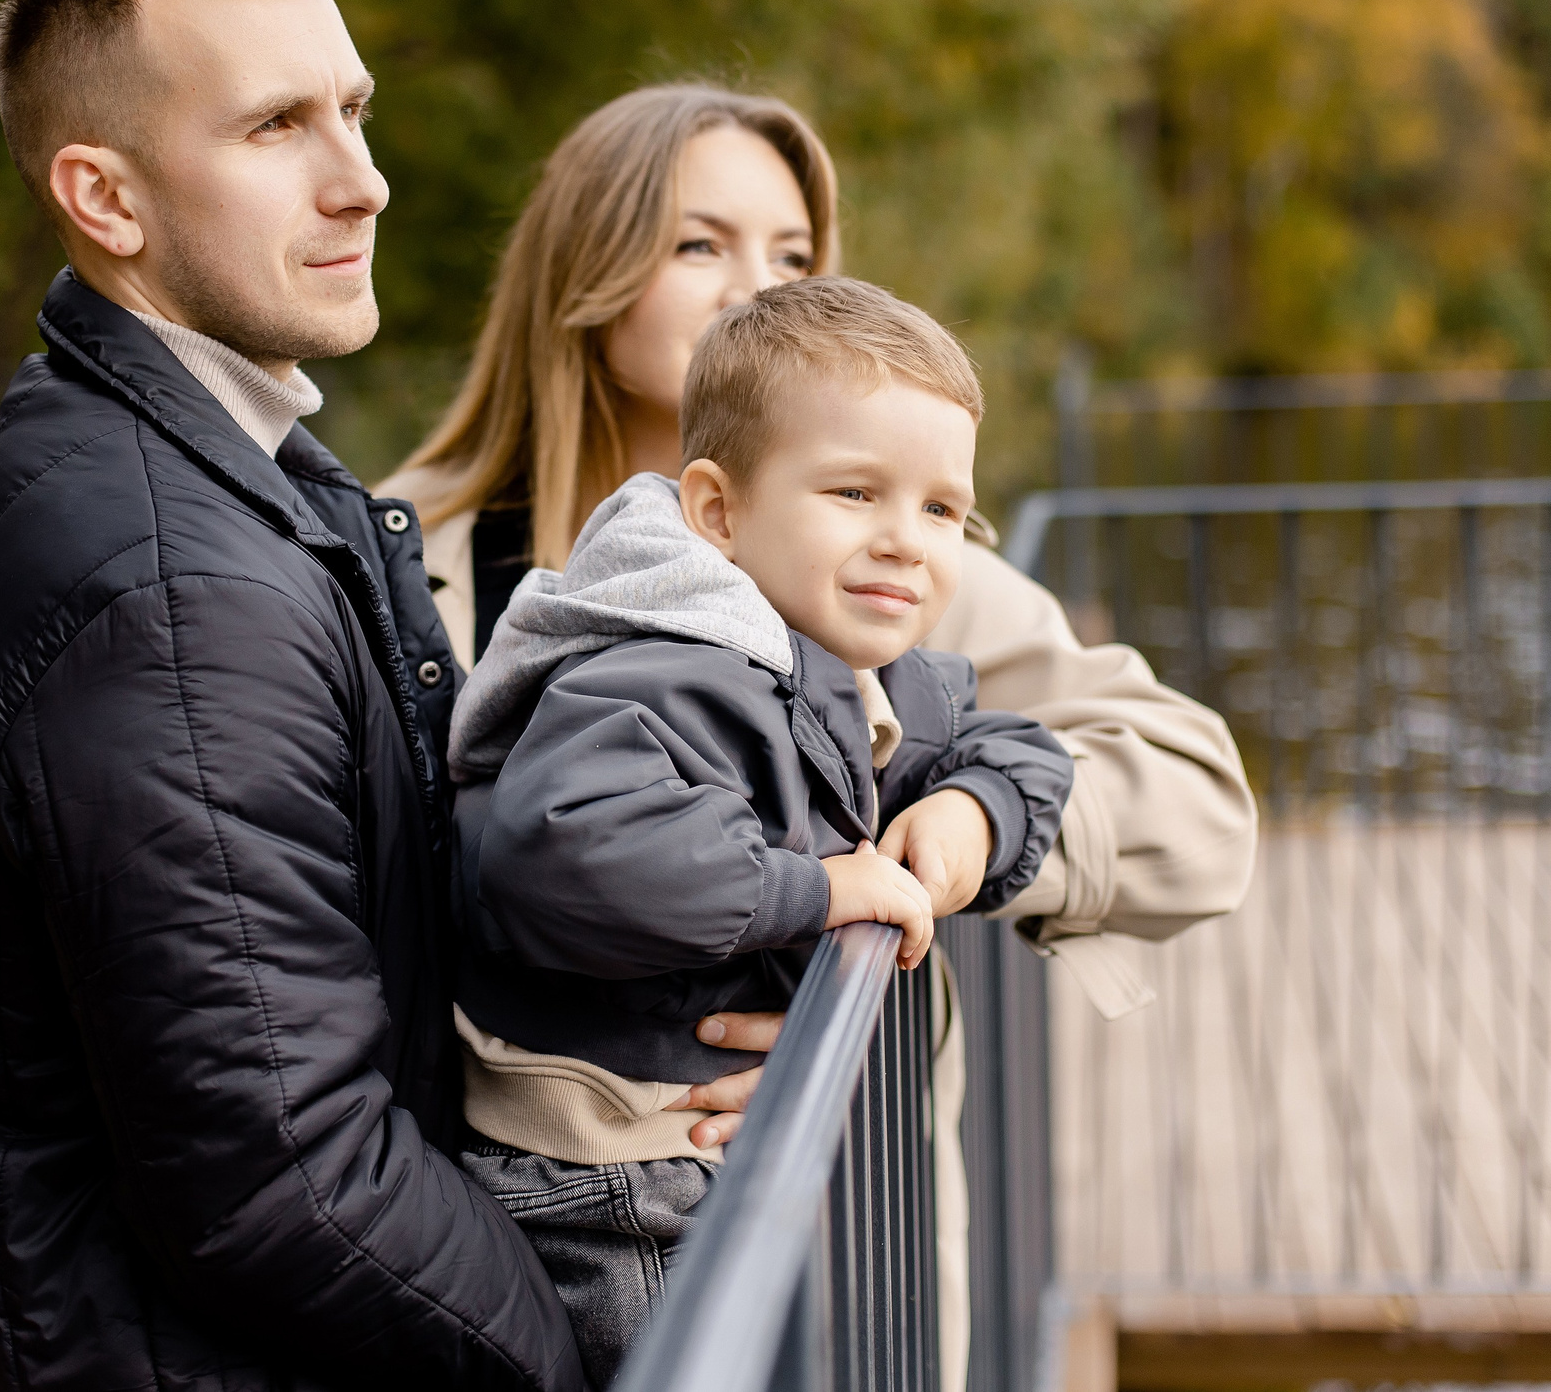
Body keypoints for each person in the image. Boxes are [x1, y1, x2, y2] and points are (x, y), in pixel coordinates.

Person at [0, 0, 664, 1391]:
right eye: (274, 128)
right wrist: (569, 1360)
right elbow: (290, 1178)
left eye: (356, 109)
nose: (362, 180)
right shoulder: (165, 585)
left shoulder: (213, 469)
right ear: (104, 199)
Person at [377, 82, 1257, 1385]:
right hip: (488, 1243)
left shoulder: (885, 561)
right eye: (700, 243)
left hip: (837, 1254)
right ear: (585, 272)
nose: (751, 286)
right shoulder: (412, 558)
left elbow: (1198, 797)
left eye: (790, 255)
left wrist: (870, 941)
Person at [447, 279, 1075, 1387]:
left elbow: (1018, 741)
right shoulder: (660, 673)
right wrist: (825, 892)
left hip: (698, 1164)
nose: (906, 542)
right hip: (617, 1178)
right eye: (853, 492)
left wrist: (975, 817)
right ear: (718, 511)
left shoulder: (859, 670)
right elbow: (576, 848)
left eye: (940, 509)